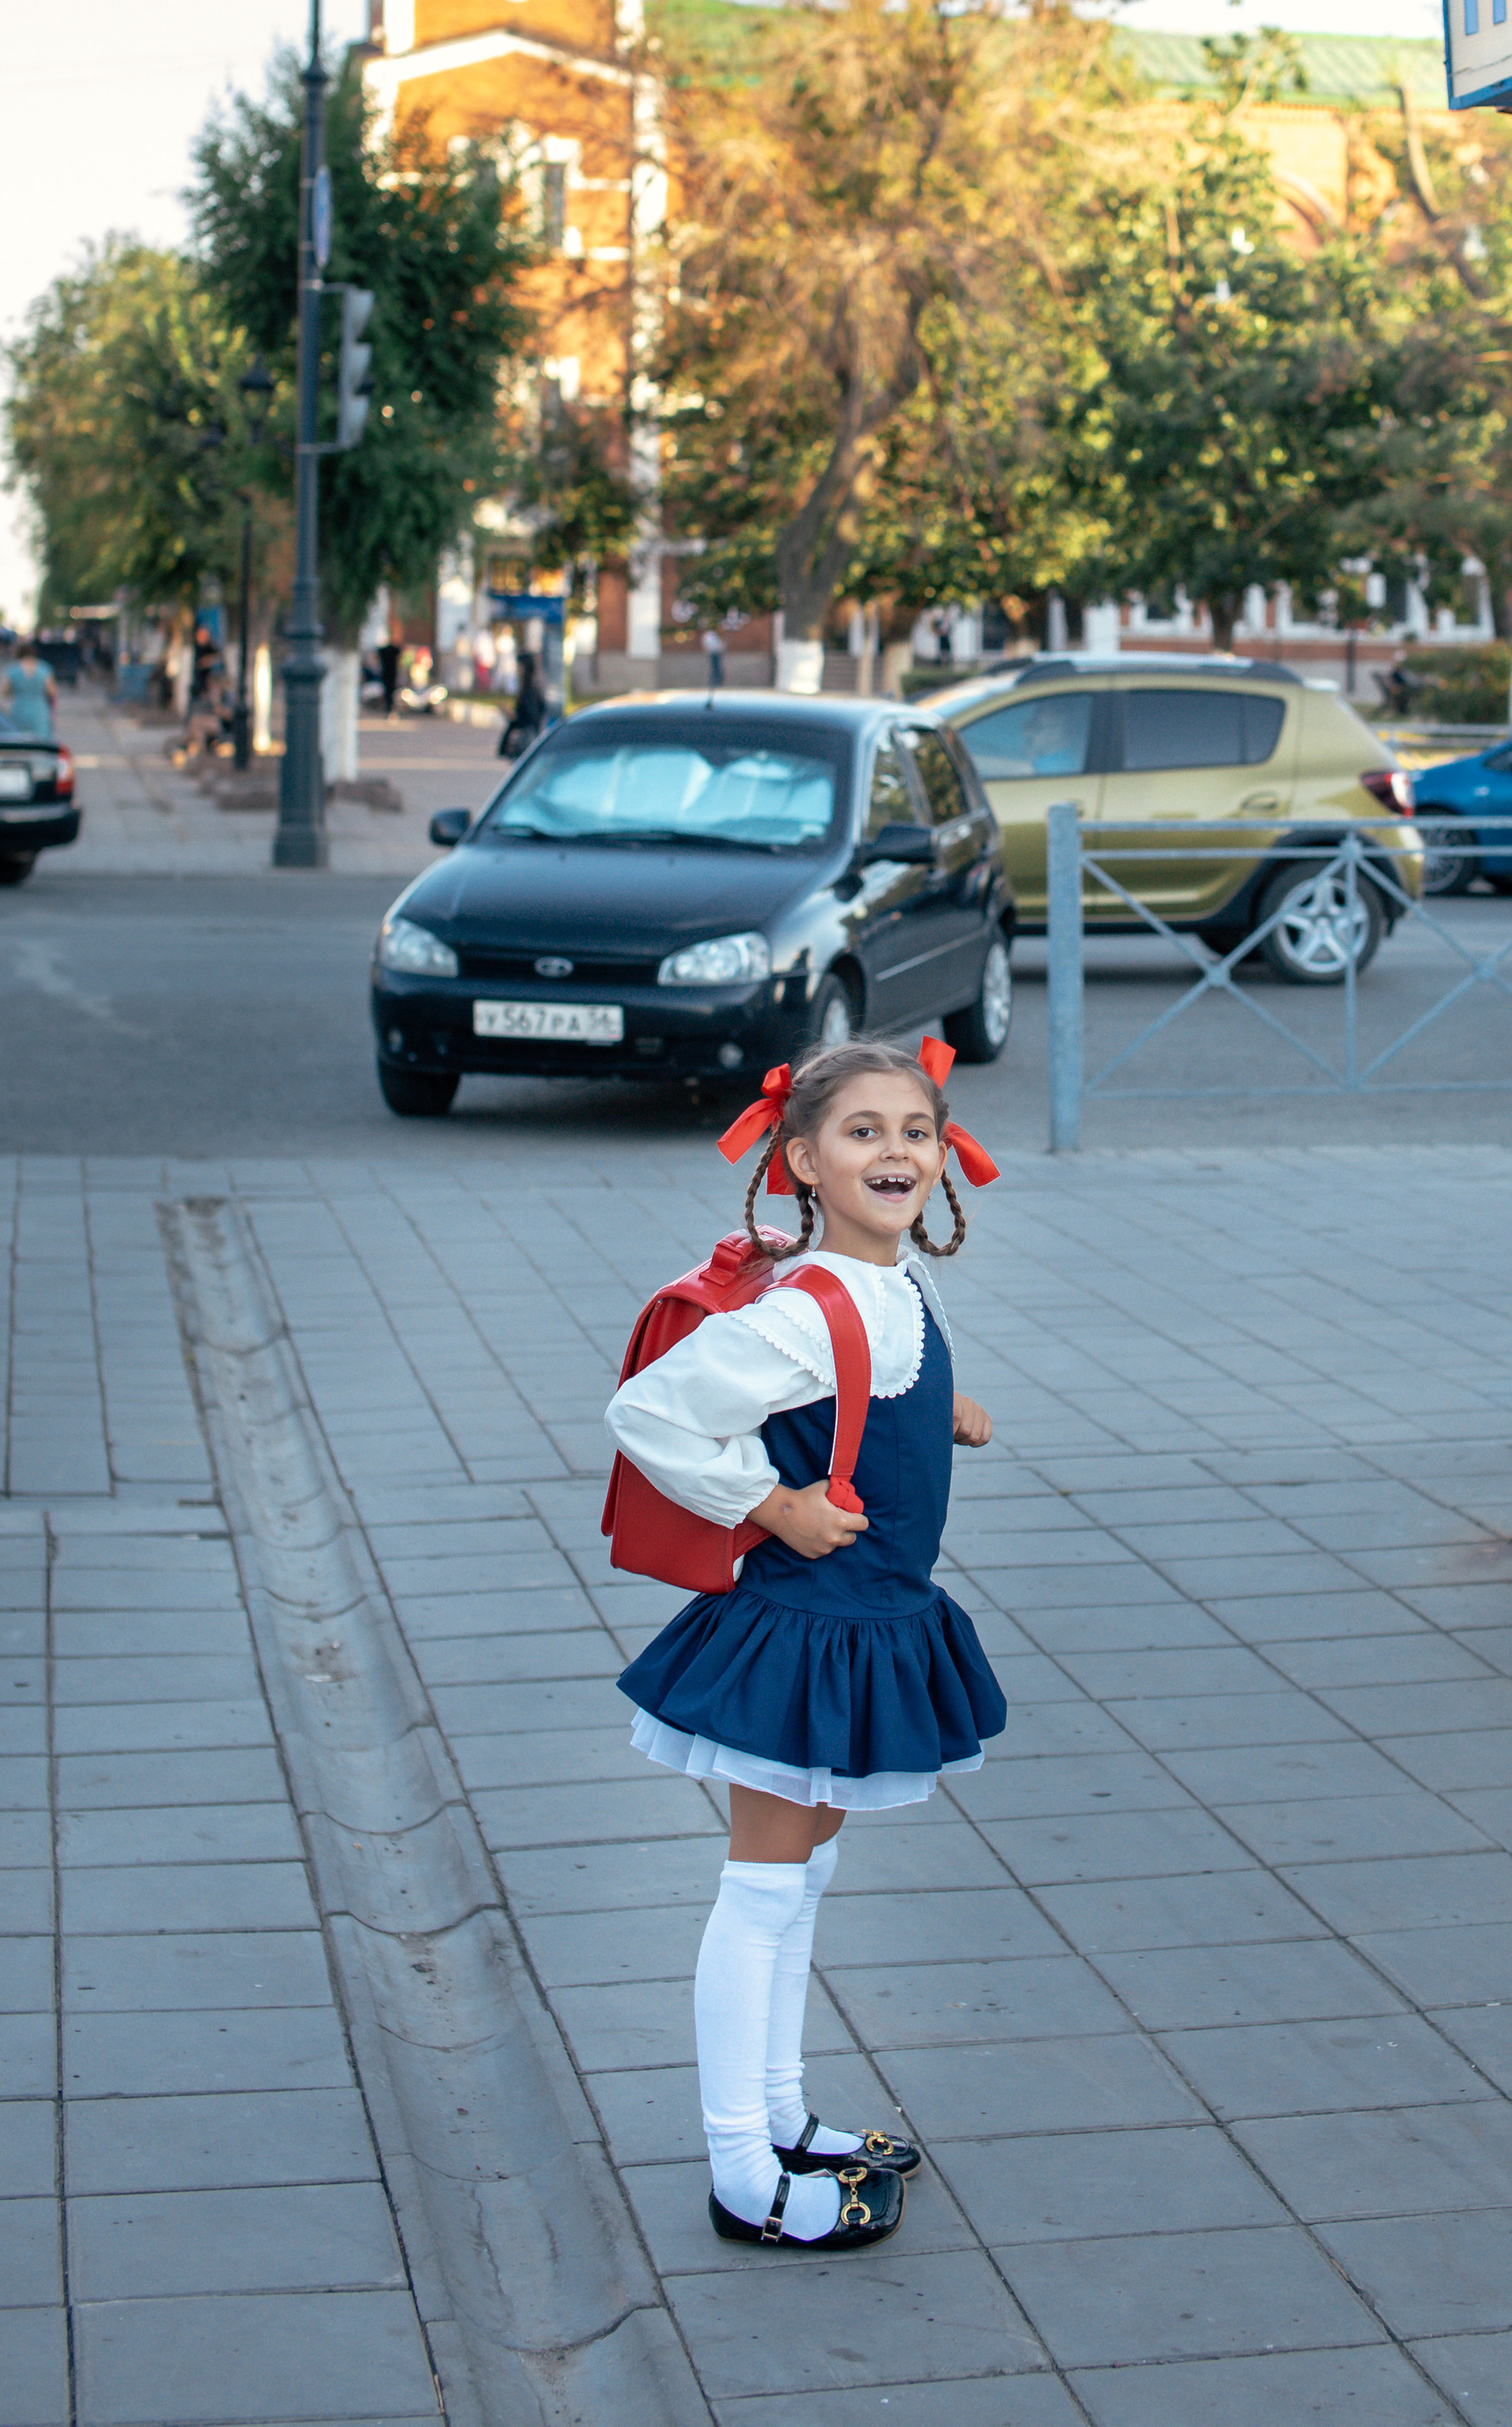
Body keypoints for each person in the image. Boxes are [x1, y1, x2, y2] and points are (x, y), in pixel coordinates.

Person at [604, 1038, 1007, 2252]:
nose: (896, 1151)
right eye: (863, 1132)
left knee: (802, 1879)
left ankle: (779, 2115)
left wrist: (947, 1411)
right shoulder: (815, 1302)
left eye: (916, 1132)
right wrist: (769, 1505)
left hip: (859, 1624)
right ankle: (743, 2172)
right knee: (761, 1895)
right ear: (802, 1162)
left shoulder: (884, 1287)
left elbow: (868, 1385)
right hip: (802, 1635)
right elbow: (649, 1411)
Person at [498, 651, 547, 759]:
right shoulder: (530, 688)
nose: (517, 670)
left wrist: (510, 714)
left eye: (519, 666)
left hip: (525, 739)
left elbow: (529, 716)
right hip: (526, 737)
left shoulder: (529, 690)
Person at [4, 641, 55, 743]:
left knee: (20, 742)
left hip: (19, 709)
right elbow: (52, 692)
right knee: (41, 744)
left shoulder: (13, 669)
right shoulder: (44, 668)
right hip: (39, 711)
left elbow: (4, 691)